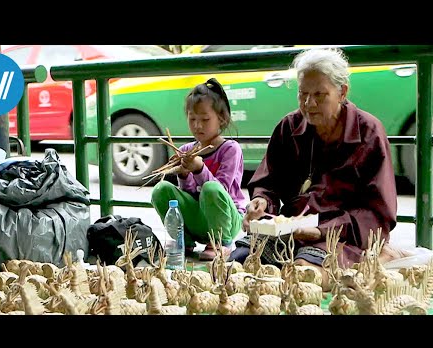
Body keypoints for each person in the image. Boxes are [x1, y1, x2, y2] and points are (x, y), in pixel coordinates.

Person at [231, 47, 408, 290]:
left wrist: (321, 230)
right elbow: (267, 183)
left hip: (344, 235)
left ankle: (379, 257)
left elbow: (377, 214)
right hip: (292, 230)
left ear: (342, 92)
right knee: (238, 264)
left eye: (319, 95)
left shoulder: (368, 132)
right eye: (302, 94)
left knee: (305, 274)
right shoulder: (289, 127)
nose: (308, 103)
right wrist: (261, 202)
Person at [151, 78, 246, 261]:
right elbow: (190, 193)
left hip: (226, 220)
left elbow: (221, 192)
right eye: (192, 118)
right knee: (161, 189)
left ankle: (220, 243)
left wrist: (199, 168)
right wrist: (184, 174)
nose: (197, 125)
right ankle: (182, 240)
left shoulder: (230, 149)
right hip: (199, 219)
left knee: (211, 188)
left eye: (204, 119)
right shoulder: (187, 149)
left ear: (222, 119)